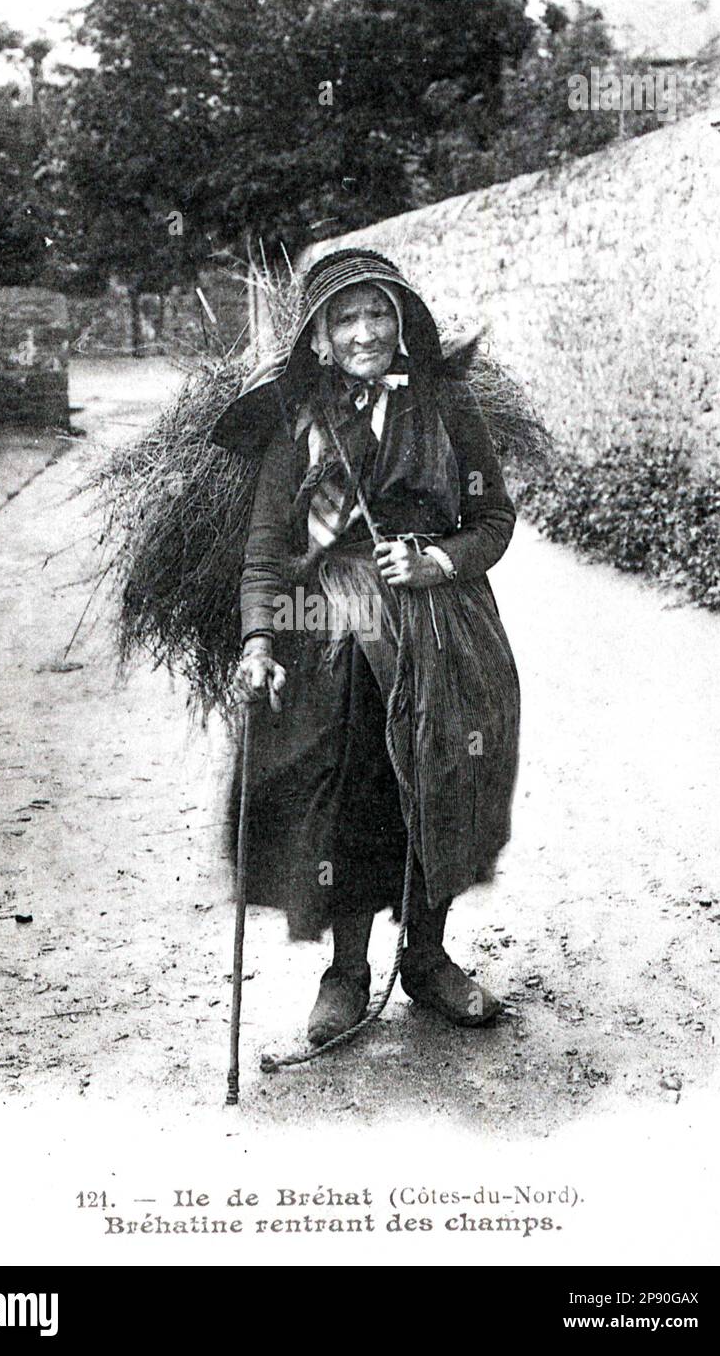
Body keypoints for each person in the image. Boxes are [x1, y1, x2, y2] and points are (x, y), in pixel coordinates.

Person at [212, 248, 520, 1048]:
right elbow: (266, 551)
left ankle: (424, 959)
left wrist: (436, 560)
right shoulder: (299, 424)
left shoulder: (447, 406)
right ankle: (346, 973)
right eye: (344, 318)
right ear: (317, 338)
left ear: (402, 320)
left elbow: (493, 521)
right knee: (350, 788)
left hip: (441, 627)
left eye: (377, 312)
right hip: (333, 635)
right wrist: (257, 640)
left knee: (443, 776)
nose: (363, 332)